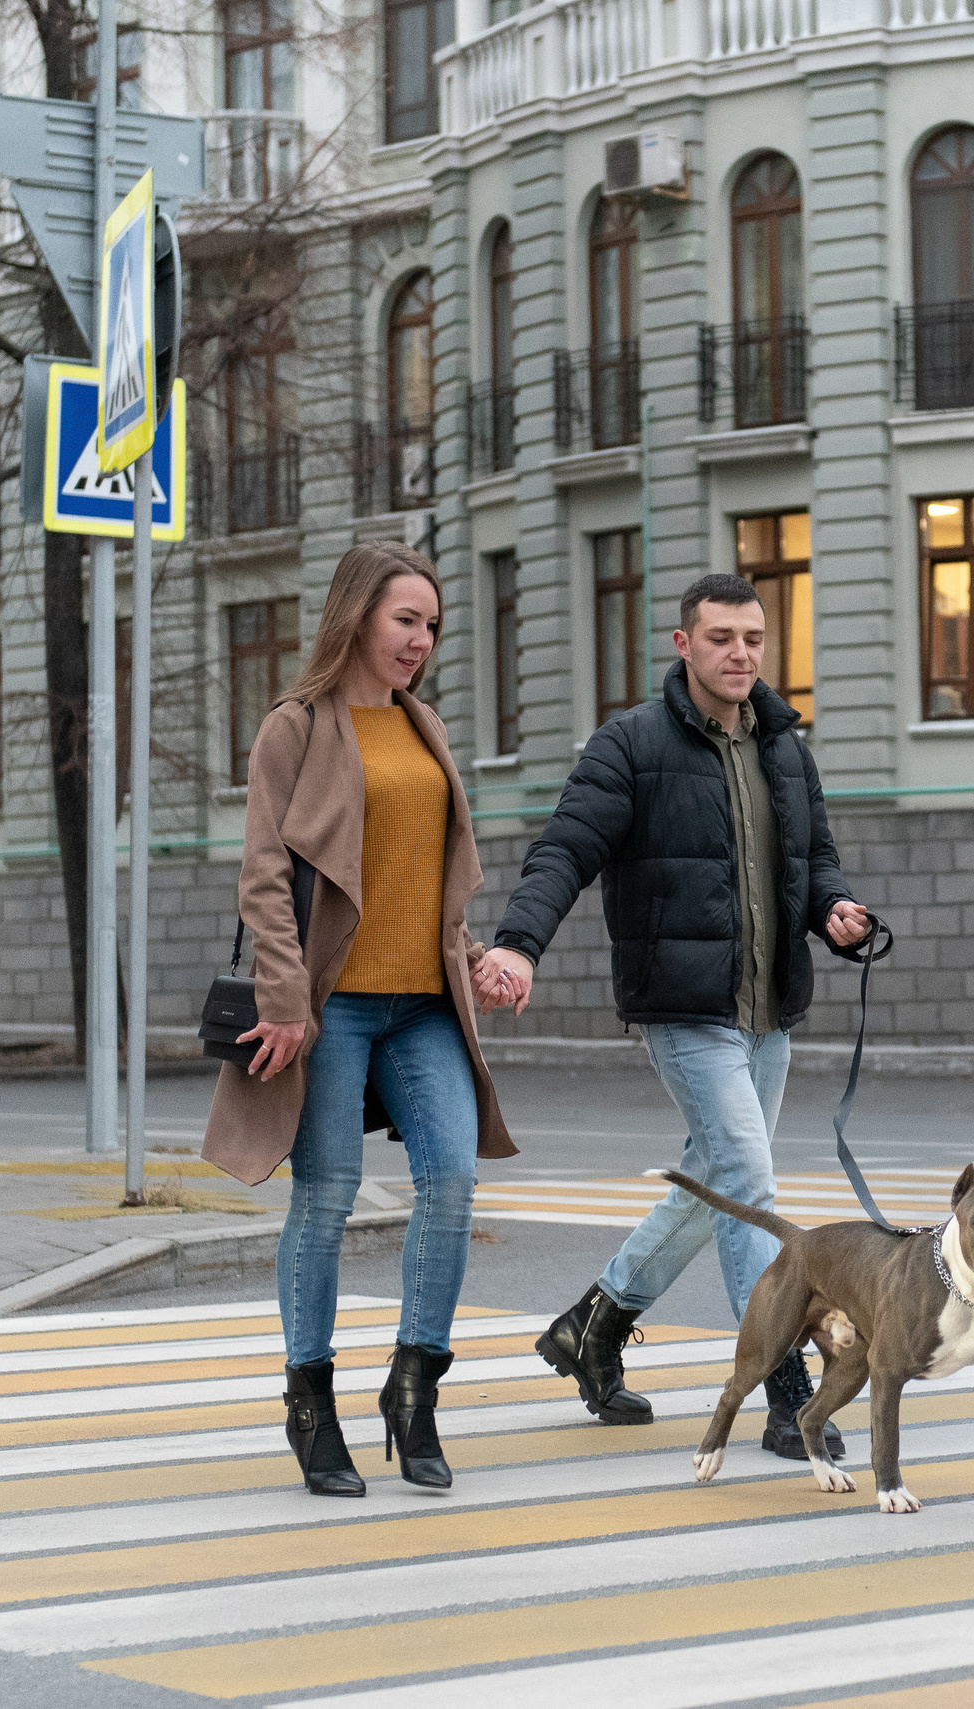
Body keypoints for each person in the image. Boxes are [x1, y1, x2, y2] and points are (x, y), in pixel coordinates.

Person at [475, 571, 871, 1459]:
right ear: (683, 644)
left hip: (767, 1011)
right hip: (686, 1010)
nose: (740, 653)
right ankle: (782, 1389)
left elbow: (815, 862)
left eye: (754, 639)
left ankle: (593, 1326)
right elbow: (564, 849)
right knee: (747, 1185)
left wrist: (837, 913)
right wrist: (517, 945)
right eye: (722, 637)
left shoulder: (783, 746)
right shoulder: (632, 745)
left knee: (718, 1183)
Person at [205, 541, 516, 1498]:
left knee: (453, 1184)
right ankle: (310, 1405)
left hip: (425, 1003)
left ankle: (414, 1392)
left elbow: (430, 882)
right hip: (332, 1006)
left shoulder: (426, 728)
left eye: (430, 624)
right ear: (356, 617)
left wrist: (477, 961)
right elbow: (264, 874)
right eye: (404, 620)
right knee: (328, 1198)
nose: (420, 640)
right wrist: (287, 998)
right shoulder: (295, 728)